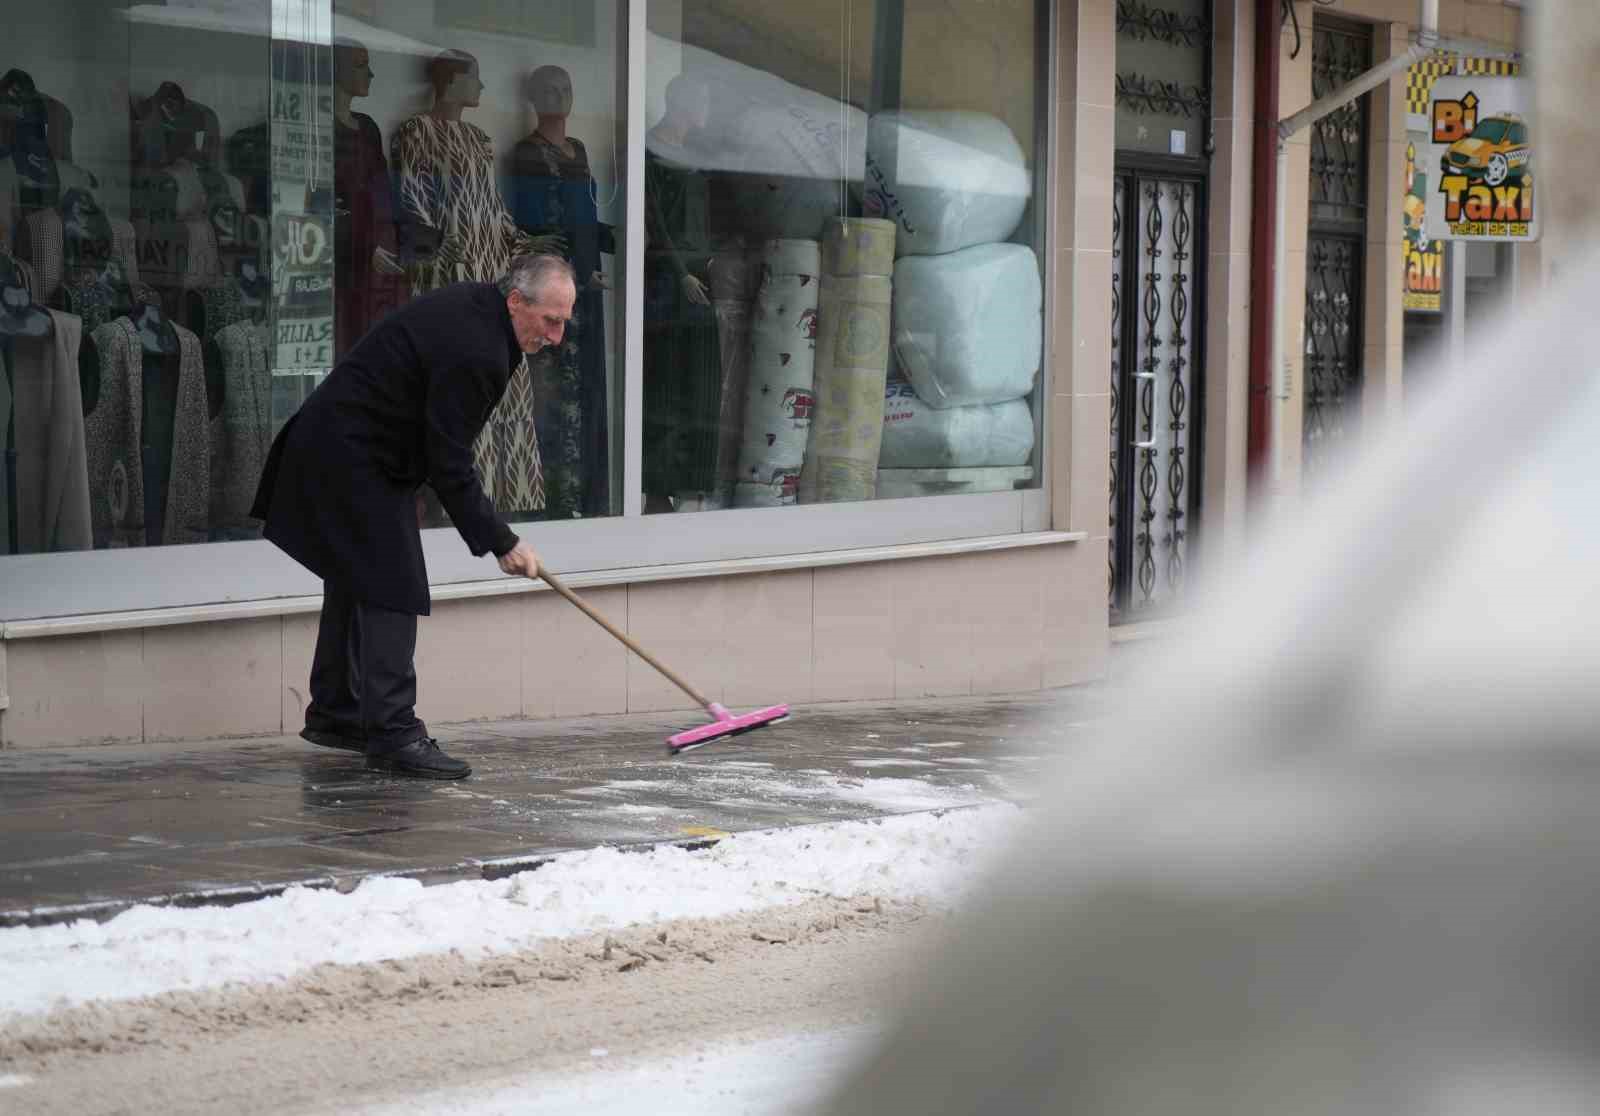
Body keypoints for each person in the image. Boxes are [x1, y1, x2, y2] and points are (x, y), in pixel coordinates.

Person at [250, 254, 576, 779]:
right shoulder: (479, 347)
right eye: (551, 321)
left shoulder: (484, 315)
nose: (557, 337)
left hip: (351, 448)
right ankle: (394, 734)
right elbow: (450, 460)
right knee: (393, 586)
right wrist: (501, 541)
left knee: (360, 579)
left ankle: (339, 712)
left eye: (564, 322)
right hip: (349, 454)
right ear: (517, 301)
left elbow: (431, 433)